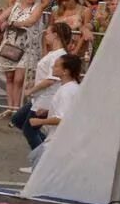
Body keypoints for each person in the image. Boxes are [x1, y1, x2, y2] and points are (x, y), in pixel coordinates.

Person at [11, 24, 74, 164]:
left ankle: (41, 161)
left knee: (30, 130)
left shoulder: (59, 55)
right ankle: (47, 145)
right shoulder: (53, 53)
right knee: (17, 119)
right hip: (39, 96)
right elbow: (46, 74)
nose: (46, 36)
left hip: (46, 97)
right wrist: (33, 83)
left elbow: (51, 80)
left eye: (48, 33)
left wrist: (31, 90)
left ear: (55, 35)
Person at [20, 53, 84, 170]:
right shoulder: (70, 88)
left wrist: (40, 121)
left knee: (44, 171)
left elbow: (62, 118)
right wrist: (47, 111)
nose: (52, 68)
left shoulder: (67, 91)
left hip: (59, 141)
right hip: (60, 140)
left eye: (56, 66)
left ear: (65, 71)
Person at [0, 0, 44, 116]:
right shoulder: (14, 6)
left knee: (19, 79)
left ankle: (17, 109)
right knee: (10, 78)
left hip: (28, 47)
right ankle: (10, 107)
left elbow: (30, 21)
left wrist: (11, 23)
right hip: (10, 46)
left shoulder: (38, 7)